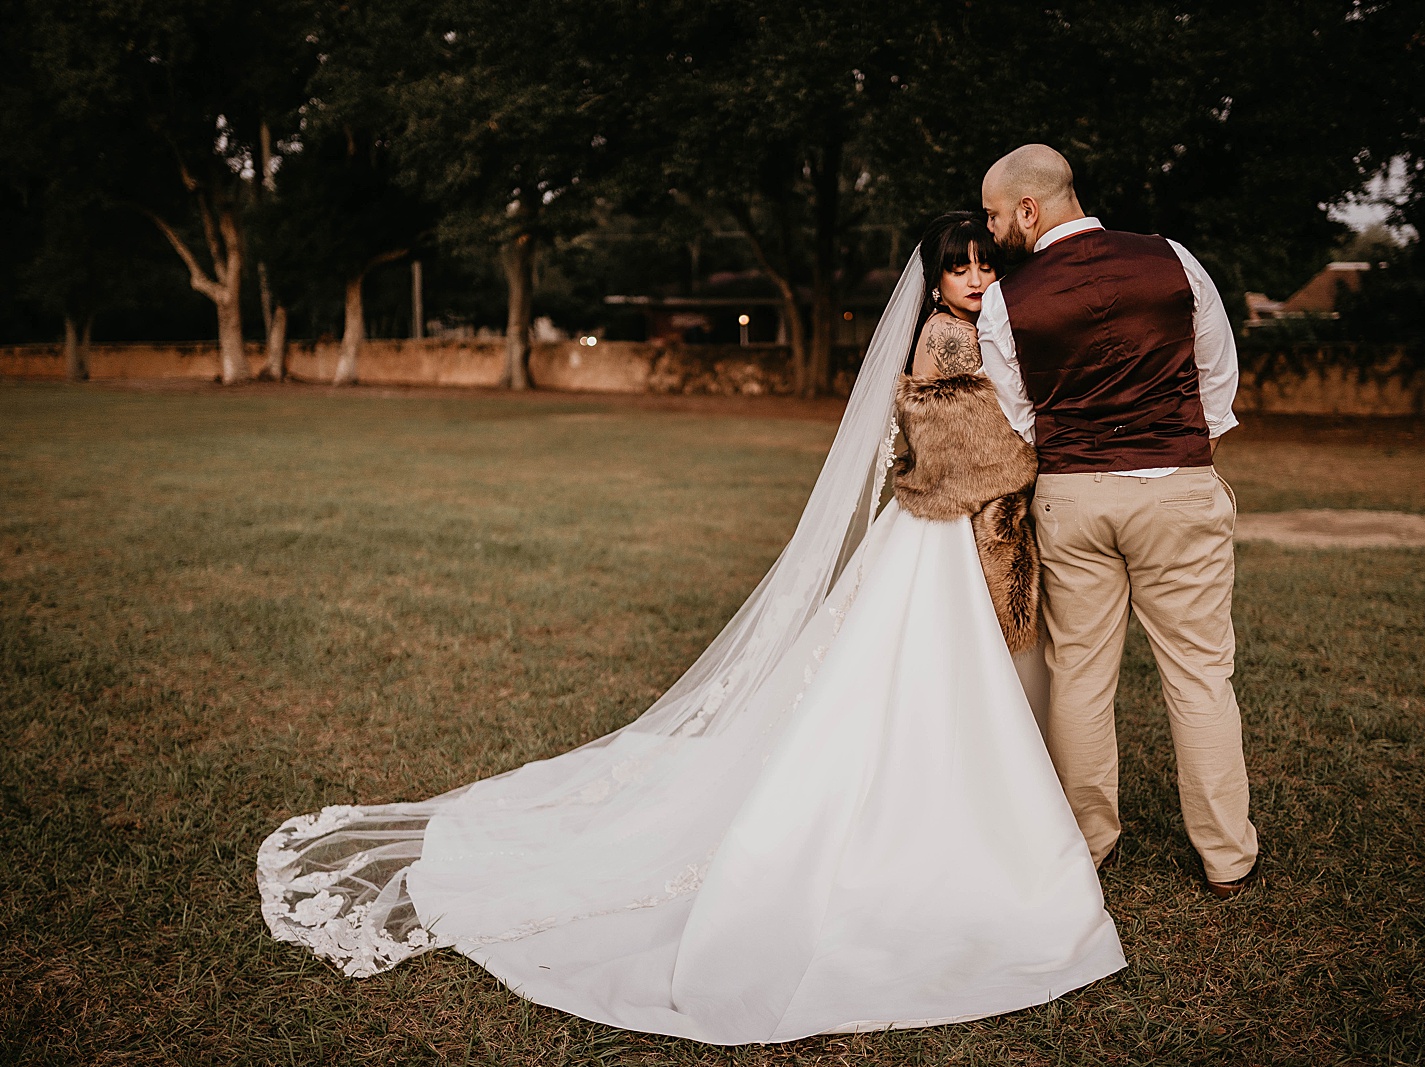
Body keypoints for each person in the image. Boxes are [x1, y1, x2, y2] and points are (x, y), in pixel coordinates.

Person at [257, 212, 1124, 1045]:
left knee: (922, 682)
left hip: (945, 536)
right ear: (934, 277)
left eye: (983, 263)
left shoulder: (970, 328)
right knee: (923, 681)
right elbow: (963, 451)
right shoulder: (947, 336)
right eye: (958, 265)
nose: (975, 277)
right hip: (943, 531)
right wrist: (1044, 440)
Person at [977, 144, 1261, 897]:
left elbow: (1019, 417)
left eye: (998, 215)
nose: (995, 229)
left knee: (1080, 677)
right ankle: (1227, 857)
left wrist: (1081, 451)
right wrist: (1175, 447)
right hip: (1177, 485)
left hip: (1071, 496)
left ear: (1031, 209)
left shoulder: (1009, 300)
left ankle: (1087, 844)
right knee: (1200, 674)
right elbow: (1218, 373)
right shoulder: (1171, 259)